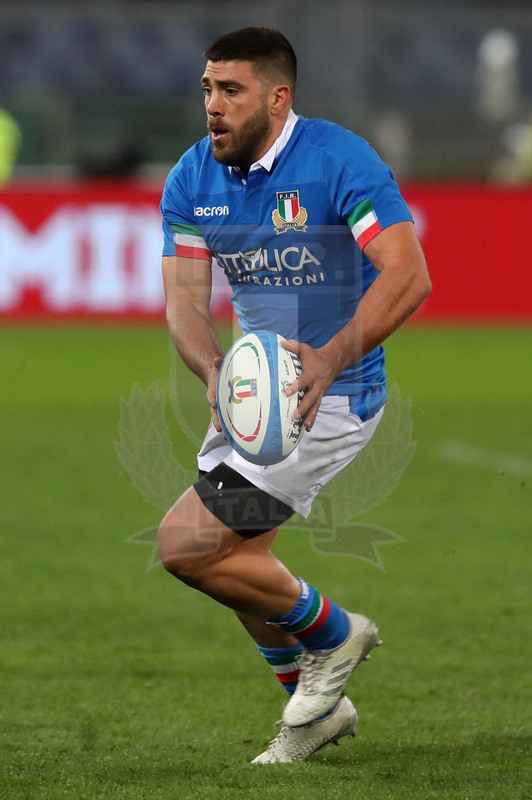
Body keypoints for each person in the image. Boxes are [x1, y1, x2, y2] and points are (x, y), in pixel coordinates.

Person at [157, 27, 431, 764]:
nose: (212, 106)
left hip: (330, 398)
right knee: (242, 567)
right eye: (208, 89)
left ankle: (337, 634)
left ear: (278, 99)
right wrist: (212, 370)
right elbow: (184, 299)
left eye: (231, 91)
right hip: (257, 394)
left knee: (186, 545)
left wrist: (333, 356)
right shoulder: (191, 179)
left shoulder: (338, 161)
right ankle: (313, 714)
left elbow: (408, 274)